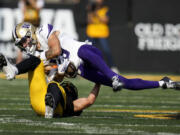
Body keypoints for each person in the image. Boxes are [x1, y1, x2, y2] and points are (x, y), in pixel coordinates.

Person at [11, 22, 180, 93]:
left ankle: (113, 76)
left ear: (30, 33)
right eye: (21, 45)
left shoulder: (42, 32)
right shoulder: (37, 57)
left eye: (24, 41)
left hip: (84, 51)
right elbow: (61, 76)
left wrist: (42, 57)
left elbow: (55, 50)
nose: (24, 46)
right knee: (125, 82)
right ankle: (163, 83)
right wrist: (61, 72)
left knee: (86, 55)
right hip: (81, 69)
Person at [0, 53, 101, 118]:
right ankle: (13, 70)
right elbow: (48, 71)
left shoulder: (72, 106)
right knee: (36, 61)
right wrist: (98, 81)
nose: (66, 86)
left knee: (53, 84)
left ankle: (51, 106)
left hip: (45, 106)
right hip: (42, 101)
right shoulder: (58, 89)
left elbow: (89, 100)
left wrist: (99, 81)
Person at [86, 0, 118, 73]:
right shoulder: (91, 10)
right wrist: (90, 11)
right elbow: (89, 21)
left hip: (101, 33)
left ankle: (112, 67)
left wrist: (96, 13)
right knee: (89, 51)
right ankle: (88, 68)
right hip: (92, 33)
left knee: (106, 51)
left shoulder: (105, 9)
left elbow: (105, 20)